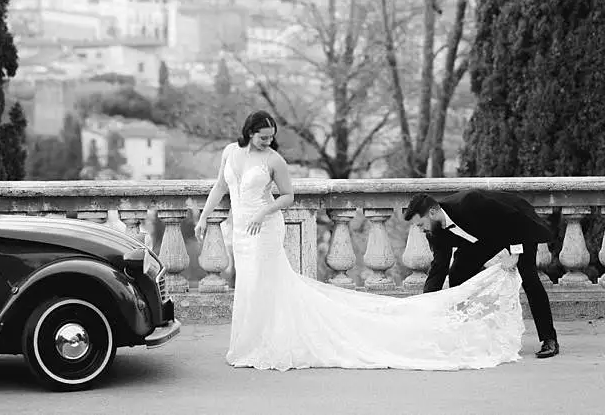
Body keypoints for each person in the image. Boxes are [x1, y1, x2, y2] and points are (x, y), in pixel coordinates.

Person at [193, 110, 529, 371]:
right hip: (240, 231)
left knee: (267, 283)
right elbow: (221, 188)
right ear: (249, 132)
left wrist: (261, 212)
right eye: (263, 137)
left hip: (264, 228)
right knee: (248, 285)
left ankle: (268, 343)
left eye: (271, 137)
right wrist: (204, 216)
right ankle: (247, 343)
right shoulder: (229, 154)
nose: (268, 142)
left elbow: (288, 196)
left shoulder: (273, 160)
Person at [404, 190, 560, 359]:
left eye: (420, 224)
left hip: (516, 224)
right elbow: (438, 269)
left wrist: (515, 253)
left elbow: (511, 219)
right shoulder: (434, 232)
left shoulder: (469, 203)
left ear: (432, 212)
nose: (421, 230)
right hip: (484, 236)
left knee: (529, 277)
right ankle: (465, 335)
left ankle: (549, 339)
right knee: (457, 274)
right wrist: (427, 306)